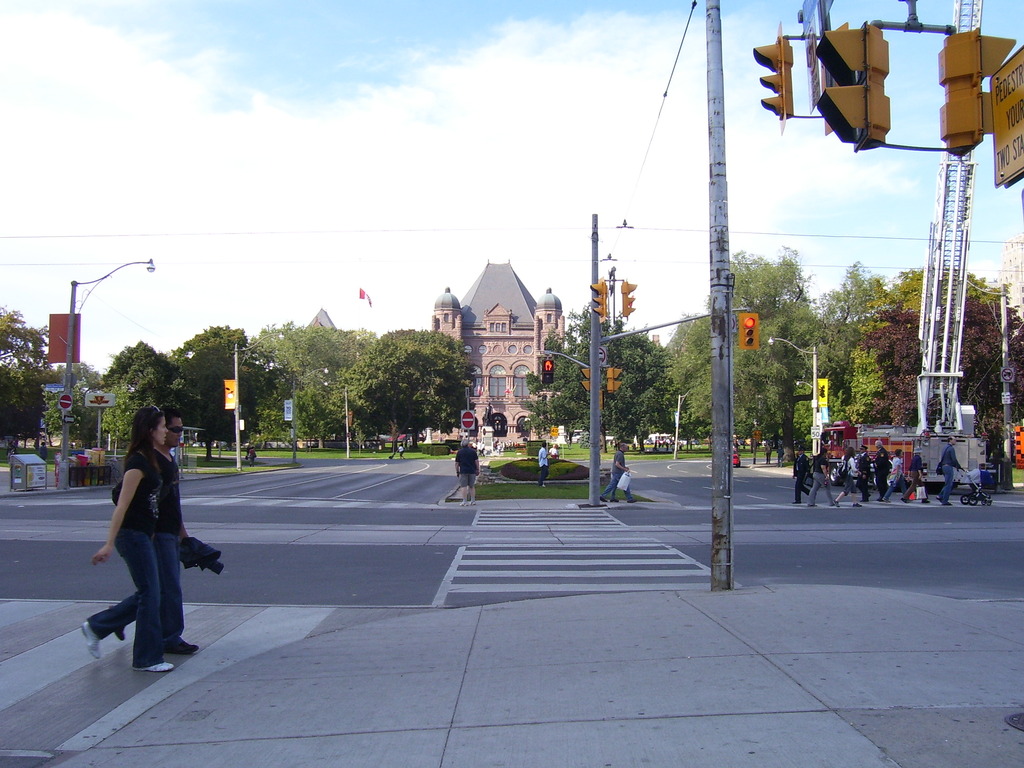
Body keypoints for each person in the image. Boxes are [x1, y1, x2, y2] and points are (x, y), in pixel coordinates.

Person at [81, 406, 174, 673]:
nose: (166, 430)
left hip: (143, 534)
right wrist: (109, 543)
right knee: (150, 595)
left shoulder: (152, 459)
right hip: (130, 535)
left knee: (150, 593)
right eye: (162, 426)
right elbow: (122, 506)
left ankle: (98, 626)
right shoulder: (137, 463)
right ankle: (147, 658)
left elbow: (151, 504)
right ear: (149, 430)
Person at [937, 436, 962, 506]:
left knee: (947, 483)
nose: (955, 441)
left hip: (943, 466)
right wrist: (958, 466)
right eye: (954, 440)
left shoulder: (945, 447)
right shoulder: (951, 448)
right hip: (948, 467)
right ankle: (944, 500)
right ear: (950, 440)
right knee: (949, 484)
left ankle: (941, 495)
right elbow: (954, 459)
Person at [455, 438, 480, 506]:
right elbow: (476, 461)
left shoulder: (459, 452)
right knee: (471, 486)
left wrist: (457, 471)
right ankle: (473, 500)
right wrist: (477, 469)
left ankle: (464, 501)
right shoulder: (473, 452)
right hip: (472, 470)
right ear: (468, 444)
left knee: (464, 486)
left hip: (463, 471)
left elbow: (457, 463)